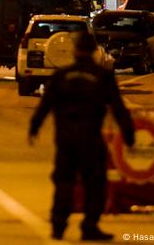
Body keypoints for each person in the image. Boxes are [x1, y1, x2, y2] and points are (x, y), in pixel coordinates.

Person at [29, 32, 135, 242]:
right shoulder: (103, 76)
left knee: (64, 181)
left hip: (65, 138)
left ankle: (58, 226)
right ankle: (90, 226)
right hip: (91, 138)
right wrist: (129, 134)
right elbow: (118, 107)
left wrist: (34, 127)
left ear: (75, 50)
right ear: (95, 51)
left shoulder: (61, 75)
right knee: (95, 184)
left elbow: (45, 105)